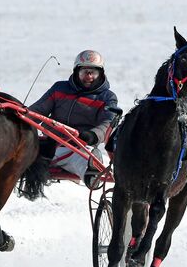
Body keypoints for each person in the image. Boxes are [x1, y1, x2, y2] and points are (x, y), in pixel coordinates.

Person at [28, 50, 119, 187]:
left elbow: (107, 123)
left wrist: (93, 135)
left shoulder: (107, 97)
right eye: (84, 72)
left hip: (79, 146)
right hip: (50, 144)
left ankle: (92, 173)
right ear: (76, 72)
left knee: (81, 159)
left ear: (101, 74)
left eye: (93, 72)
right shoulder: (59, 88)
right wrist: (20, 119)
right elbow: (37, 110)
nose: (88, 77)